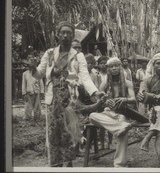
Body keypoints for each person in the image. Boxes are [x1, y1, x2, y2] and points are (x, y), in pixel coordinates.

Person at [30, 21, 104, 167]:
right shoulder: (49, 54)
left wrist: (95, 92)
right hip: (53, 99)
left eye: (68, 33)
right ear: (58, 34)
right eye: (62, 32)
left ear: (72, 35)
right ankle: (56, 164)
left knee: (69, 132)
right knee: (53, 133)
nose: (65, 35)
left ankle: (69, 164)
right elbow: (39, 74)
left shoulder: (78, 56)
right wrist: (32, 68)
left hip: (69, 99)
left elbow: (85, 77)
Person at [89, 57, 137, 167]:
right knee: (92, 116)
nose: (114, 68)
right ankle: (121, 127)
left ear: (120, 67)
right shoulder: (105, 84)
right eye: (111, 66)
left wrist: (125, 99)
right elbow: (99, 101)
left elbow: (134, 99)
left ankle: (119, 164)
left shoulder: (128, 83)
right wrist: (105, 101)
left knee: (122, 128)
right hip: (108, 113)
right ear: (108, 69)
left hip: (122, 113)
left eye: (116, 65)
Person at [22, 55, 44, 121]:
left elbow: (41, 83)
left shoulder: (38, 73)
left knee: (37, 106)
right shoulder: (25, 74)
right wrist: (24, 93)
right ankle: (27, 117)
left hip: (37, 91)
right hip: (29, 92)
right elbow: (24, 84)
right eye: (29, 65)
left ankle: (37, 117)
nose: (31, 66)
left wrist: (42, 92)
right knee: (28, 106)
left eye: (32, 65)